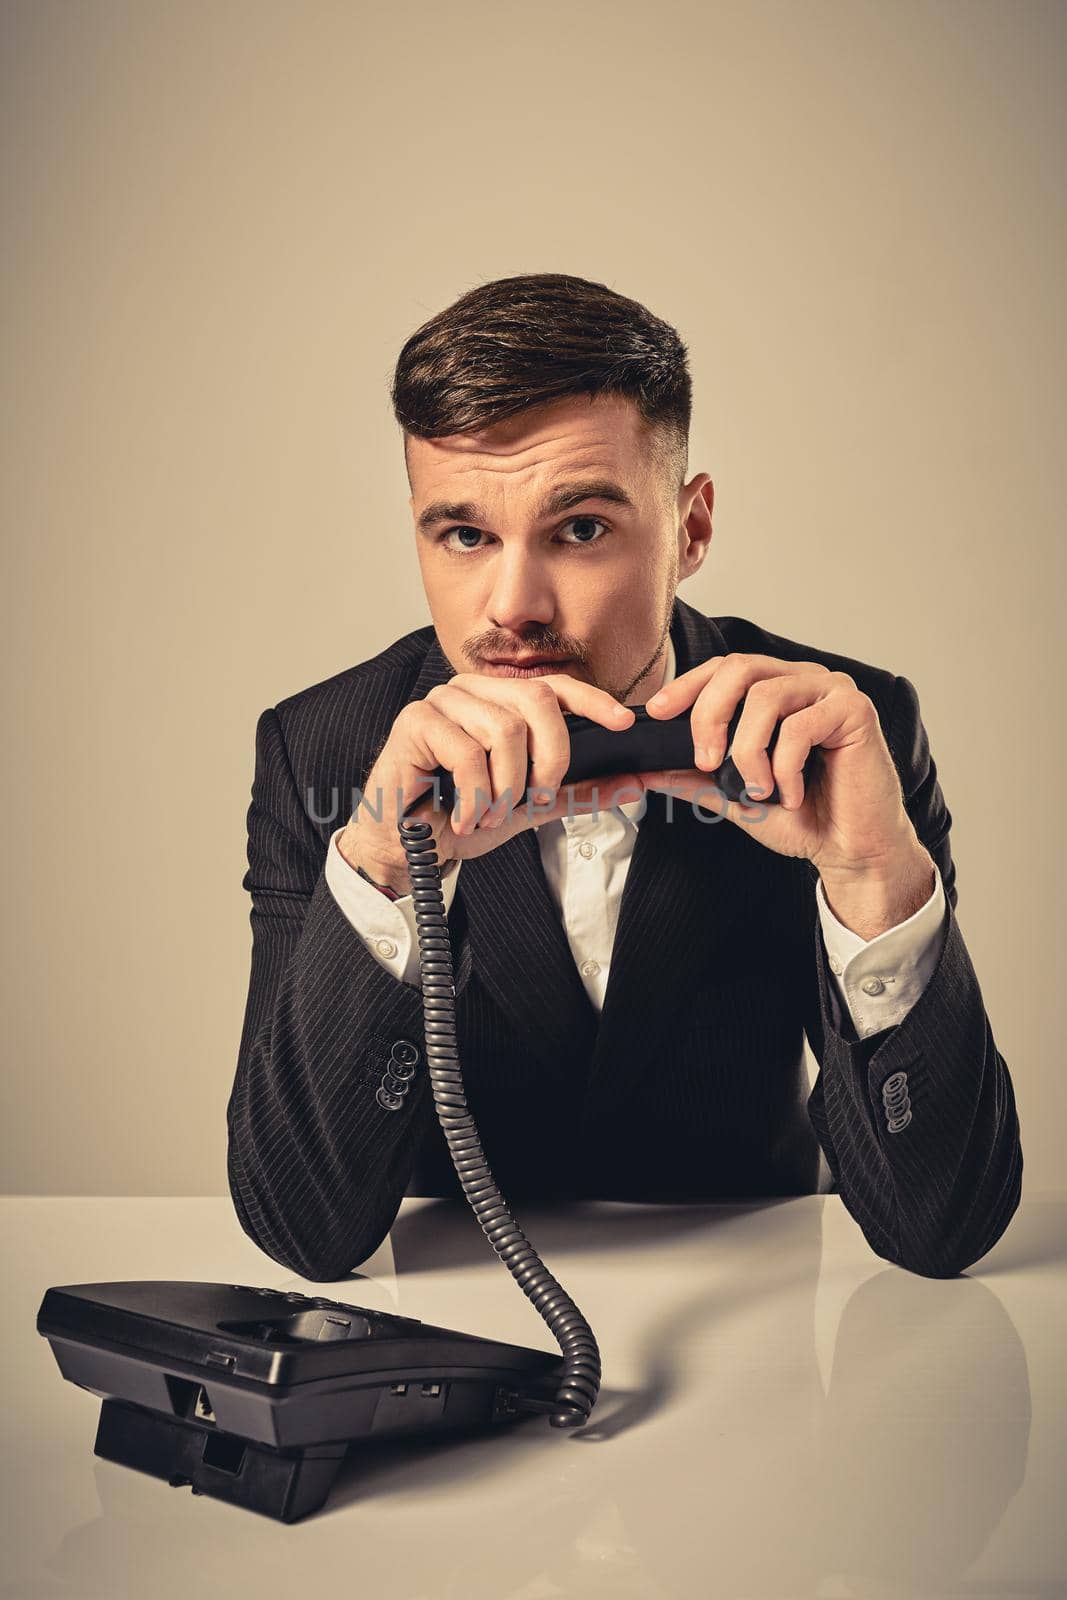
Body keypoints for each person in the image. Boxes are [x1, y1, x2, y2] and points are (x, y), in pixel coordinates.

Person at [226, 272, 1022, 1283]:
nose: (510, 606)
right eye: (464, 534)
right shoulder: (326, 751)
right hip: (447, 1343)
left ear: (688, 530)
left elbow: (942, 1230)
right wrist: (382, 861)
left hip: (773, 1344)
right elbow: (301, 1232)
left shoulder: (837, 734)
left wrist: (874, 882)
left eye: (580, 530)